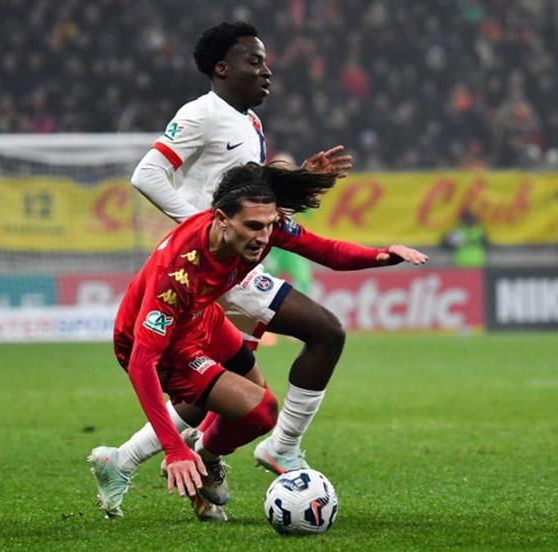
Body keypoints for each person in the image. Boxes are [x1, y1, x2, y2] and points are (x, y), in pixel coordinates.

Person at [86, 21, 359, 520]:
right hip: (214, 261)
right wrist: (205, 232)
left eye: (265, 60)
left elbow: (244, 192)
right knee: (322, 333)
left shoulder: (250, 123)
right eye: (254, 61)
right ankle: (271, 449)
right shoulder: (200, 114)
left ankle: (126, 460)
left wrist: (299, 181)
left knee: (222, 391)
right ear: (222, 67)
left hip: (230, 262)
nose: (266, 69)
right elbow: (146, 173)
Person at [107, 162, 427, 521]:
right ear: (221, 220)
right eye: (254, 227)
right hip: (160, 344)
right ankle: (187, 458)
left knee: (243, 392)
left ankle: (188, 459)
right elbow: (140, 361)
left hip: (202, 317)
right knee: (261, 411)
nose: (263, 238)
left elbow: (327, 251)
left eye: (269, 226)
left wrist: (383, 256)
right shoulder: (178, 271)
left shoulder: (260, 227)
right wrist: (173, 450)